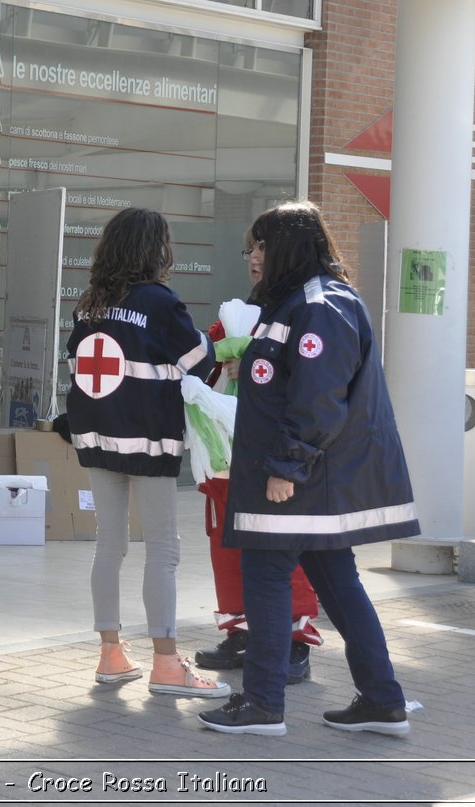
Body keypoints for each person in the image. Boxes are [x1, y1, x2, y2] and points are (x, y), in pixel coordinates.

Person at [199, 200, 419, 737]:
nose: (251, 256)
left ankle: (262, 704)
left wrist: (287, 467)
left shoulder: (319, 304)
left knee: (268, 576)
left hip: (300, 478)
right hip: (308, 479)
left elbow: (320, 398)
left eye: (260, 245)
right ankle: (382, 700)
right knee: (338, 583)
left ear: (287, 248)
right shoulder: (297, 302)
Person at [63, 207, 226, 699]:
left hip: (95, 437)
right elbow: (201, 360)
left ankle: (111, 655)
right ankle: (166, 664)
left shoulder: (89, 303)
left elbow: (77, 361)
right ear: (156, 249)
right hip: (148, 439)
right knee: (163, 548)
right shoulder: (159, 302)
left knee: (108, 544)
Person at [193, 235, 324, 683]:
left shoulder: (309, 309)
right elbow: (204, 361)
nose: (254, 258)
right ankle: (241, 633)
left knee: (284, 549)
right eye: (248, 249)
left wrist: (250, 361)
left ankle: (293, 643)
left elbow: (313, 384)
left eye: (264, 248)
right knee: (226, 545)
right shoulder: (238, 311)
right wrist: (220, 357)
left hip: (276, 457)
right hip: (227, 450)